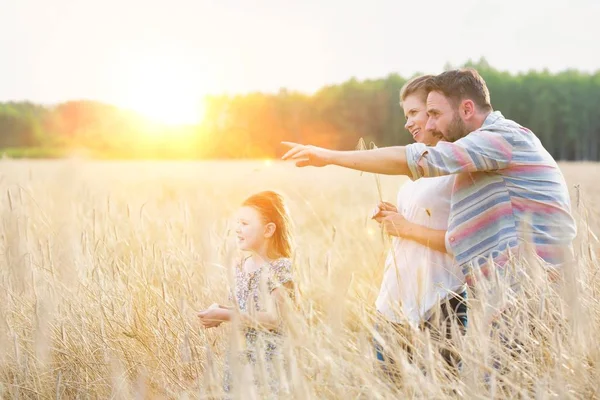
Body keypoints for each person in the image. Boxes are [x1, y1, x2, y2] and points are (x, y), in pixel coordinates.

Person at [281, 68, 576, 313]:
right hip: (509, 295)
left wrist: (329, 156)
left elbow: (419, 160)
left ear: (467, 108)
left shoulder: (499, 139)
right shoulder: (487, 151)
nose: (430, 123)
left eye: (434, 114)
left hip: (527, 294)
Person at [371, 75, 467, 381]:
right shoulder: (416, 174)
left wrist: (406, 227)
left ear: (436, 110)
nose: (407, 123)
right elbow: (411, 227)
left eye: (414, 113)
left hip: (440, 306)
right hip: (393, 304)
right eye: (406, 115)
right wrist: (392, 217)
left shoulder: (461, 169)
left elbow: (464, 241)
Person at [198, 190, 296, 398]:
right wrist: (220, 312)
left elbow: (272, 318)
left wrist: (225, 315)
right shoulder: (241, 266)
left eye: (244, 223)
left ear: (269, 230)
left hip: (268, 366)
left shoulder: (281, 269)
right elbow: (243, 311)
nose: (237, 229)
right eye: (237, 223)